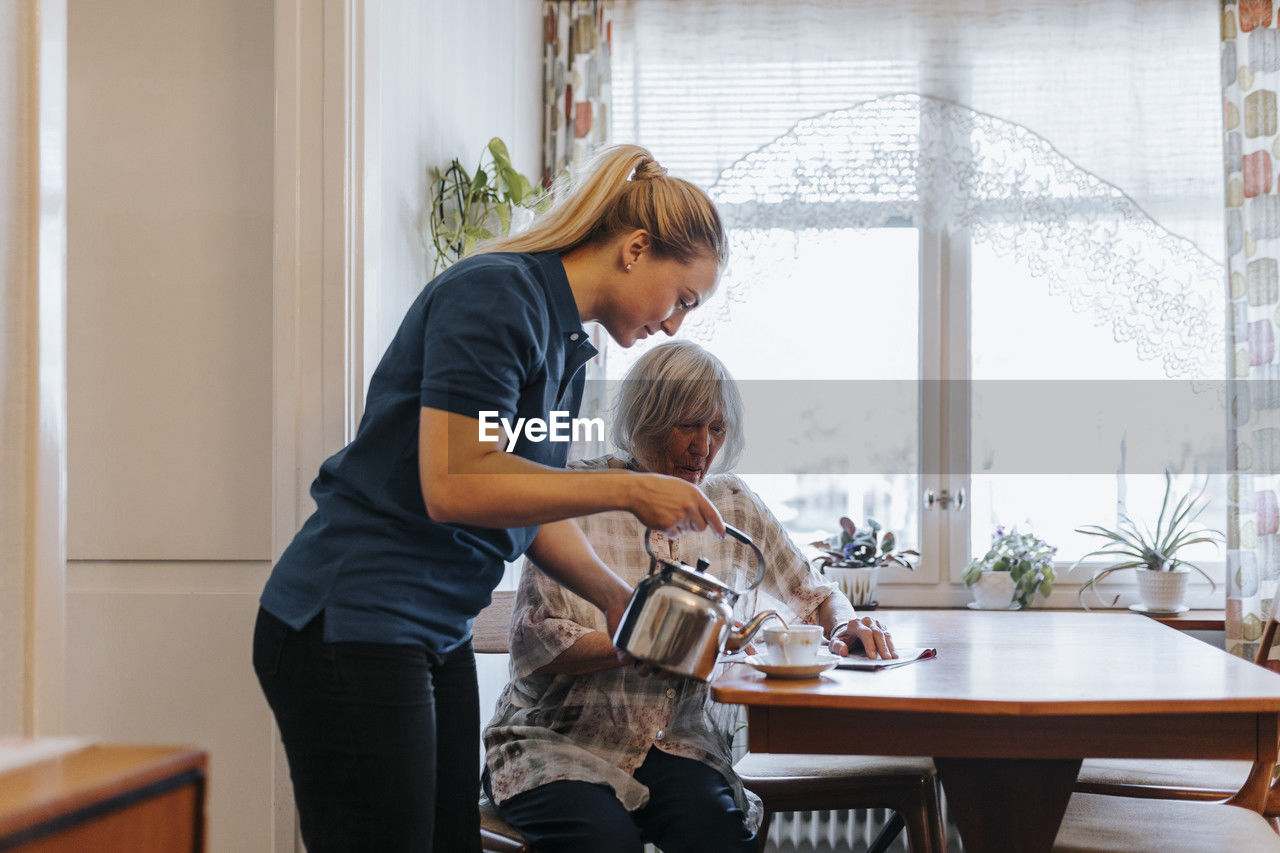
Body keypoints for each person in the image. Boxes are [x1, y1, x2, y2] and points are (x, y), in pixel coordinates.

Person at [253, 145, 733, 853]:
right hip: (350, 619)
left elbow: (522, 500)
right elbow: (455, 483)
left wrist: (613, 597)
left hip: (430, 629)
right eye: (682, 299)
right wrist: (630, 488)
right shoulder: (496, 295)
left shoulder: (566, 345)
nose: (673, 324)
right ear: (636, 249)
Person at [483, 341, 896, 853]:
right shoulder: (581, 494)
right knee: (603, 842)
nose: (704, 446)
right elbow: (535, 642)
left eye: (717, 429)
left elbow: (811, 591)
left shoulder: (732, 505)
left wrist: (844, 624)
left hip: (678, 745)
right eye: (687, 425)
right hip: (560, 741)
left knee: (717, 838)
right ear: (645, 420)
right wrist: (638, 644)